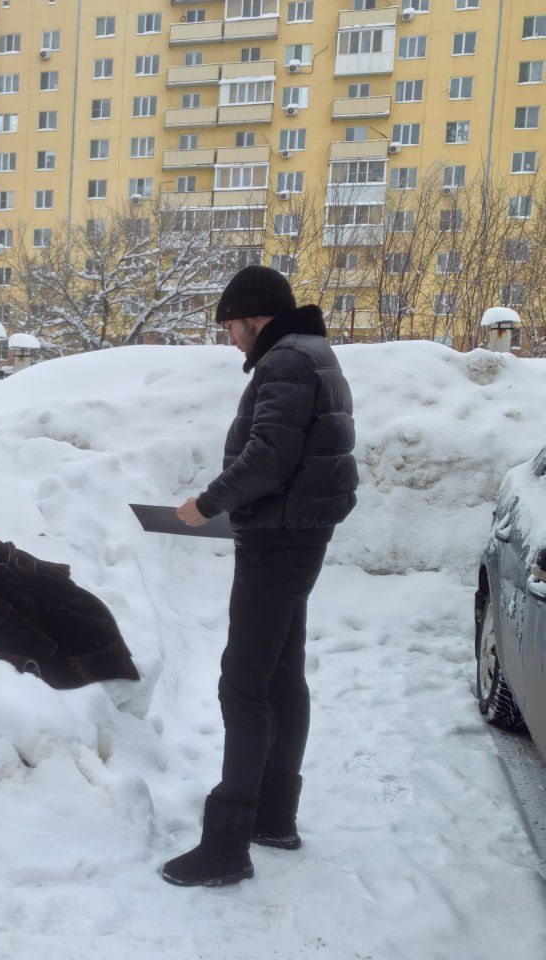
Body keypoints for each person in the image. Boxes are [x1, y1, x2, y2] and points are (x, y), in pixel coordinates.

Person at [160, 265, 358, 887]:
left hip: (277, 538)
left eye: (231, 327)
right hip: (295, 534)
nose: (231, 340)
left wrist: (206, 504)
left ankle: (226, 846)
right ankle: (274, 817)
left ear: (254, 317)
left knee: (243, 683)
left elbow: (269, 457)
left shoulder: (287, 361)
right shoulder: (309, 352)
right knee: (279, 677)